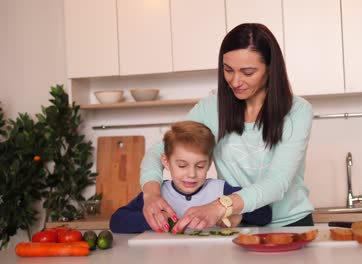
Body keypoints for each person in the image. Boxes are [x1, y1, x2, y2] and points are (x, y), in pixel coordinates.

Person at [140, 23, 314, 233]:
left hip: (291, 226)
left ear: (270, 68)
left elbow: (277, 182)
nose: (235, 81)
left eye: (248, 72)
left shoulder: (297, 111)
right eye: (228, 70)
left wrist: (219, 207)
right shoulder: (210, 108)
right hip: (238, 225)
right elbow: (159, 151)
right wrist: (151, 195)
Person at [110, 121, 272, 233]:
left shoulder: (221, 190)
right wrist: (154, 220)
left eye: (200, 166)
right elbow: (116, 221)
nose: (192, 174)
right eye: (182, 165)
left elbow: (265, 213)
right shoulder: (159, 195)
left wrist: (238, 215)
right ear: (166, 162)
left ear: (210, 163)